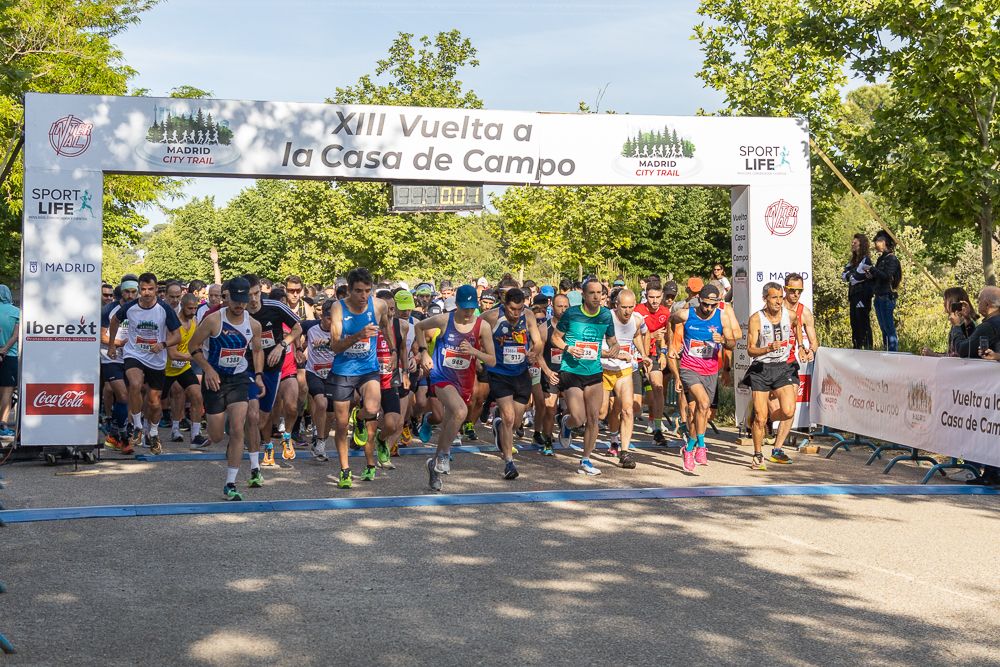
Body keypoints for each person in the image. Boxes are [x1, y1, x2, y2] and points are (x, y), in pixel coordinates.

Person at [187, 277, 266, 500]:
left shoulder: (254, 325)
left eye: (244, 300)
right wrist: (207, 369)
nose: (240, 305)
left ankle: (230, 483)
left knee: (238, 428)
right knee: (217, 435)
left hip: (239, 379)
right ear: (227, 297)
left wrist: (258, 376)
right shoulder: (213, 321)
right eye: (236, 300)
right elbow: (193, 347)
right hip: (214, 380)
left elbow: (258, 350)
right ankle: (229, 445)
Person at [416, 284, 496, 492]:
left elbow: (493, 360)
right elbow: (419, 327)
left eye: (472, 308)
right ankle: (443, 455)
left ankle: (434, 464)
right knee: (460, 411)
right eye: (464, 308)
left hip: (464, 380)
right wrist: (424, 353)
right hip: (441, 375)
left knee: (452, 419)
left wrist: (474, 352)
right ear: (457, 305)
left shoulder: (482, 326)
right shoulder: (444, 320)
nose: (468, 312)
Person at [327, 267, 394, 488]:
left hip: (368, 369)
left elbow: (386, 326)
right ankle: (345, 470)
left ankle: (361, 416)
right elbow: (335, 346)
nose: (363, 296)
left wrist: (392, 351)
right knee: (341, 423)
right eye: (358, 291)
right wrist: (359, 336)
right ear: (349, 290)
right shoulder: (338, 308)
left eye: (367, 290)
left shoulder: (379, 305)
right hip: (343, 371)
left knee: (373, 410)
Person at [107, 272, 181, 455]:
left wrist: (163, 344)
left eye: (150, 289)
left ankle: (153, 432)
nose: (146, 293)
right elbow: (114, 321)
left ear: (156, 289)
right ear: (139, 290)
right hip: (134, 353)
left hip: (156, 358)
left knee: (154, 402)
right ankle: (138, 426)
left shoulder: (164, 309)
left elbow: (177, 336)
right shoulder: (130, 307)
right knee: (134, 384)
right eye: (143, 289)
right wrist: (111, 345)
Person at [553, 278, 621, 476]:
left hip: (594, 371)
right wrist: (568, 347)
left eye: (599, 293)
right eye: (592, 293)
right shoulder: (572, 314)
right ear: (583, 295)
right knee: (579, 417)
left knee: (594, 418)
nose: (596, 296)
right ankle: (566, 423)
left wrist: (615, 348)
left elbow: (612, 341)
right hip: (571, 370)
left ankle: (585, 460)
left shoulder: (606, 315)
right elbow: (555, 338)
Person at [669, 284, 736, 472]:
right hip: (689, 368)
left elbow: (732, 343)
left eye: (712, 305)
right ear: (699, 300)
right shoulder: (686, 314)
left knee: (702, 412)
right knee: (703, 403)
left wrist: (723, 340)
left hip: (710, 371)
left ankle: (689, 448)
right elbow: (671, 319)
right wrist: (673, 344)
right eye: (705, 304)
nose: (708, 309)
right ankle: (702, 446)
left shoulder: (721, 316)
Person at [482, 286, 543, 480]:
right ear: (504, 304)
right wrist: (479, 356)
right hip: (499, 373)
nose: (516, 314)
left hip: (521, 372)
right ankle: (509, 462)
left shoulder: (529, 316)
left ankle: (497, 423)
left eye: (519, 309)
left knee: (516, 422)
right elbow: (474, 333)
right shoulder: (491, 316)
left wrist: (534, 351)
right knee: (509, 418)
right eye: (512, 310)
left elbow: (538, 341)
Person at [743, 283, 802, 471]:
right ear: (765, 299)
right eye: (773, 297)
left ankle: (764, 421)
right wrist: (767, 349)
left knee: (789, 411)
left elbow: (797, 324)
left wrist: (801, 345)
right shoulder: (756, 319)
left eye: (779, 297)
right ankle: (758, 454)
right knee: (760, 417)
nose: (778, 301)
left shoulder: (789, 315)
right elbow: (750, 349)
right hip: (761, 369)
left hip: (781, 368)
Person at [600, 288, 647, 469]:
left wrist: (644, 355)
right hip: (603, 369)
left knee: (628, 410)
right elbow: (593, 345)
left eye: (631, 307)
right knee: (602, 412)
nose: (628, 311)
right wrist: (615, 354)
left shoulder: (636, 320)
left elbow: (638, 334)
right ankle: (572, 423)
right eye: (624, 307)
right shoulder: (605, 318)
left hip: (624, 371)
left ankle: (625, 452)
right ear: (616, 305)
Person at [634, 279, 676, 443]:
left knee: (658, 388)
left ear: (662, 296)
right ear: (646, 296)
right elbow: (632, 336)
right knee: (635, 406)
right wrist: (651, 335)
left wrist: (664, 353)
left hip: (653, 355)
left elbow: (666, 336)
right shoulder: (637, 311)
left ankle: (658, 429)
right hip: (636, 355)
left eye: (658, 297)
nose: (655, 301)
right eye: (651, 297)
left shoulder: (665, 312)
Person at [163, 294, 206, 448]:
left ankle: (195, 436)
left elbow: (195, 344)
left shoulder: (195, 321)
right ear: (182, 305)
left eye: (195, 308)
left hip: (183, 367)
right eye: (190, 308)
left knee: (196, 395)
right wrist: (193, 357)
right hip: (165, 368)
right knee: (154, 402)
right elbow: (172, 353)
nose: (193, 311)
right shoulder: (173, 323)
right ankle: (148, 431)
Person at [867, 230, 902, 351]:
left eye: (878, 241)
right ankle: (887, 352)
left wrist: (873, 269)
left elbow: (887, 276)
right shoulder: (881, 259)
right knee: (883, 328)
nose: (876, 244)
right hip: (879, 296)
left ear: (885, 242)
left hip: (887, 296)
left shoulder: (891, 259)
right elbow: (880, 276)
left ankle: (893, 354)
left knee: (889, 328)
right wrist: (871, 274)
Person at [921, 287, 978, 357]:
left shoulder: (964, 323)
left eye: (945, 300)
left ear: (953, 302)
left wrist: (934, 355)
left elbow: (958, 356)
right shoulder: (957, 321)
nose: (943, 303)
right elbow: (951, 353)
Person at [842, 233, 874, 349]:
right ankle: (857, 347)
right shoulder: (852, 261)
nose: (852, 244)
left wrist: (852, 275)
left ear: (861, 244)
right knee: (854, 323)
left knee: (863, 322)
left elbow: (855, 278)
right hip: (853, 295)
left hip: (863, 295)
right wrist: (852, 274)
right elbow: (844, 276)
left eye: (855, 243)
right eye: (852, 242)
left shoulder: (866, 260)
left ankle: (868, 348)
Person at [0, 285, 18, 438]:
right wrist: (5, 349)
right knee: (7, 391)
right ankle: (3, 425)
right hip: (9, 355)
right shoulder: (15, 311)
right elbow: (16, 335)